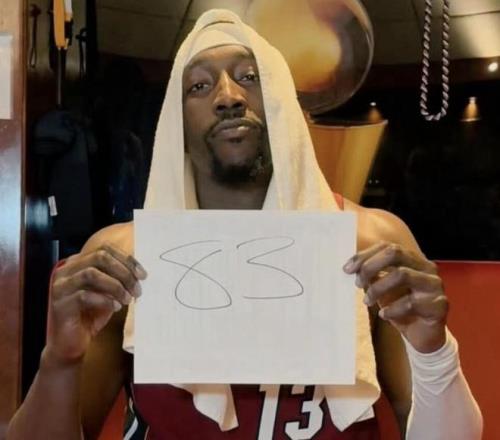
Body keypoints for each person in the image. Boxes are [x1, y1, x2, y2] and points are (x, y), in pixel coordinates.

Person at [8, 9, 482, 440]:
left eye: (249, 77)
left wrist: (434, 352)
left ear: (283, 104)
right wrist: (59, 360)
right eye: (199, 86)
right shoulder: (126, 259)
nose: (228, 96)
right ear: (176, 126)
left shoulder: (370, 242)